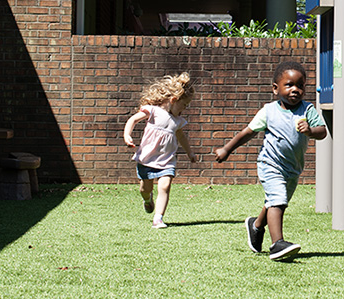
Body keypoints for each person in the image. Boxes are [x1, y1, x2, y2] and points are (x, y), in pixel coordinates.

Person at [215, 61, 327, 261]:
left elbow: (322, 132)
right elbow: (247, 133)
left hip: (293, 168)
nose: (295, 90)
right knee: (278, 200)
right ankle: (277, 244)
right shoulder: (269, 111)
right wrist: (227, 149)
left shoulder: (307, 110)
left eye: (300, 86)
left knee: (275, 202)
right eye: (289, 85)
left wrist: (310, 131)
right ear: (275, 89)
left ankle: (256, 226)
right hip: (270, 164)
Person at [124, 72, 198, 228]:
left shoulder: (177, 121)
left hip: (167, 161)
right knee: (145, 188)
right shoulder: (153, 111)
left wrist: (190, 153)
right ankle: (147, 199)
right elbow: (133, 119)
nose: (184, 109)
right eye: (184, 105)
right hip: (147, 158)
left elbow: (182, 138)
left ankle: (158, 218)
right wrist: (127, 135)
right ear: (173, 100)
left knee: (164, 186)